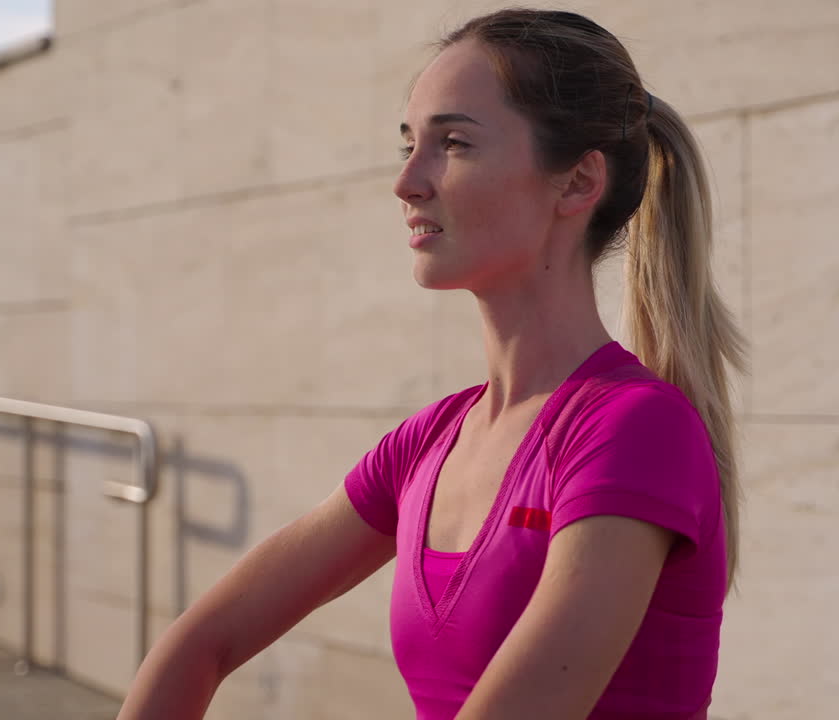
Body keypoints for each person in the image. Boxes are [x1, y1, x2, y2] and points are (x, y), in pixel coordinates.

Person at [117, 8, 747, 720]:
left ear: (576, 184)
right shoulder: (428, 443)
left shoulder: (636, 430)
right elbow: (200, 645)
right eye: (408, 144)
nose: (408, 182)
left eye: (453, 144)